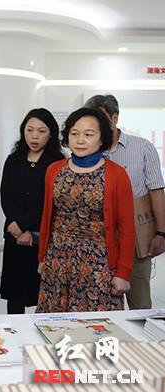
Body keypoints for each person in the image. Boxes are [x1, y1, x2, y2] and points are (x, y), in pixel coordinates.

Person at [36, 107, 135, 313]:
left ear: (102, 139)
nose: (80, 140)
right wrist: (42, 257)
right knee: (56, 325)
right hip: (58, 259)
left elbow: (127, 228)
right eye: (75, 133)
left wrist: (123, 272)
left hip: (98, 262)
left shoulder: (117, 175)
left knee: (96, 325)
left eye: (89, 134)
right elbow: (47, 218)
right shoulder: (54, 170)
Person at [85, 94, 165, 310]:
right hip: (98, 243)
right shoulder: (86, 151)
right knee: (100, 306)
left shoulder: (142, 148)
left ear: (115, 118)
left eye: (100, 119)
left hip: (136, 238)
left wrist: (161, 233)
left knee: (140, 304)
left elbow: (156, 191)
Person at [0, 108, 64, 314]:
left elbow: (49, 201)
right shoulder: (14, 159)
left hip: (42, 237)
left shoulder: (58, 162)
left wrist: (24, 226)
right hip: (14, 235)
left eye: (41, 131)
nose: (34, 136)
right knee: (14, 294)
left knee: (42, 292)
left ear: (51, 134)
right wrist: (14, 224)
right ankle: (14, 331)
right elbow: (5, 194)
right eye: (30, 130)